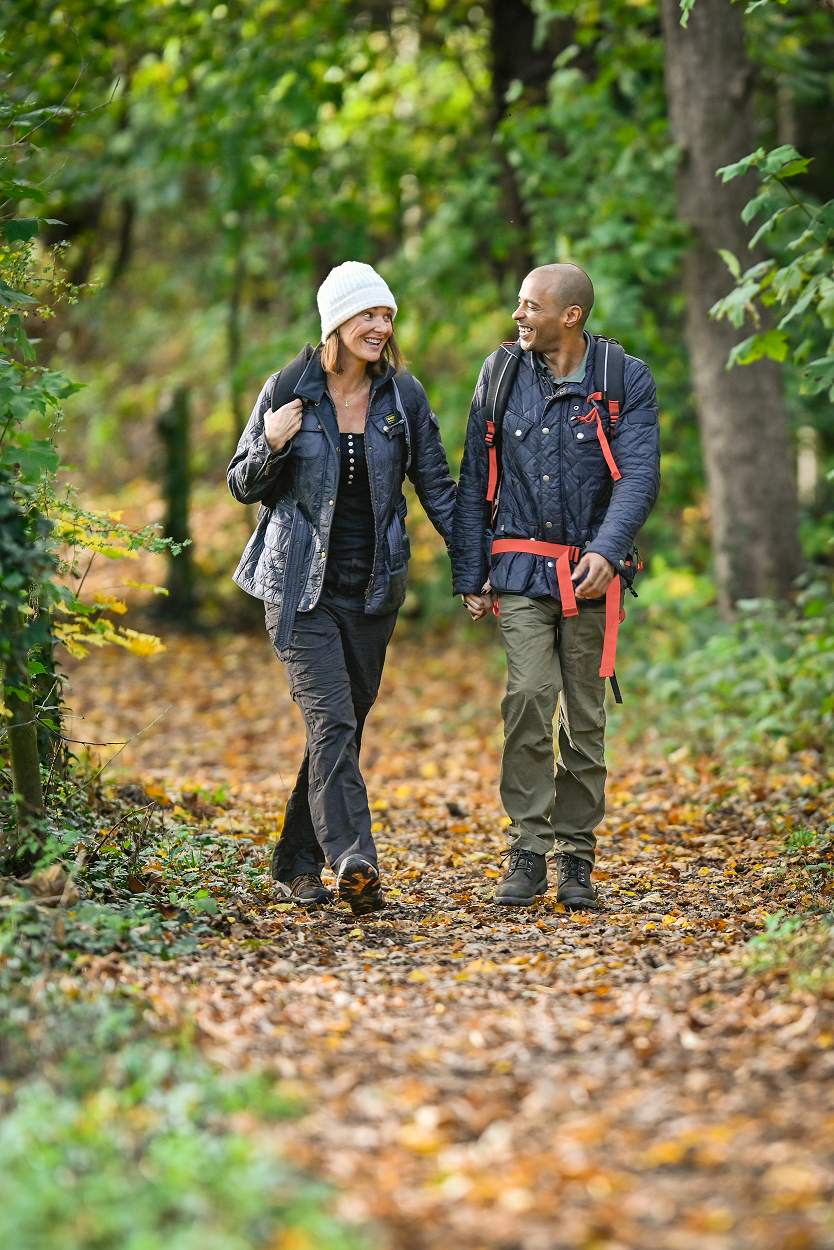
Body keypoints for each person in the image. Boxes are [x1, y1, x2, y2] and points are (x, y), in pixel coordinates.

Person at [228, 262, 456, 916]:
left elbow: (437, 487)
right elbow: (242, 482)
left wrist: (474, 569)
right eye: (368, 316)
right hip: (298, 588)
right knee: (331, 720)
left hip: (372, 591)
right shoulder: (287, 389)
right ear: (336, 322)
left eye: (387, 316)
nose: (380, 327)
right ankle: (355, 859)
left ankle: (297, 863)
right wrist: (271, 443)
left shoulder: (402, 398)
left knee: (340, 732)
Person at [451, 263, 660, 909]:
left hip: (592, 578)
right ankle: (526, 851)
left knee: (585, 721)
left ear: (569, 315)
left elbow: (639, 476)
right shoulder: (500, 372)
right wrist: (470, 571)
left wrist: (607, 550)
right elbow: (474, 472)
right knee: (529, 696)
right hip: (519, 568)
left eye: (529, 305)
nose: (517, 315)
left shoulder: (623, 380)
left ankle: (576, 861)